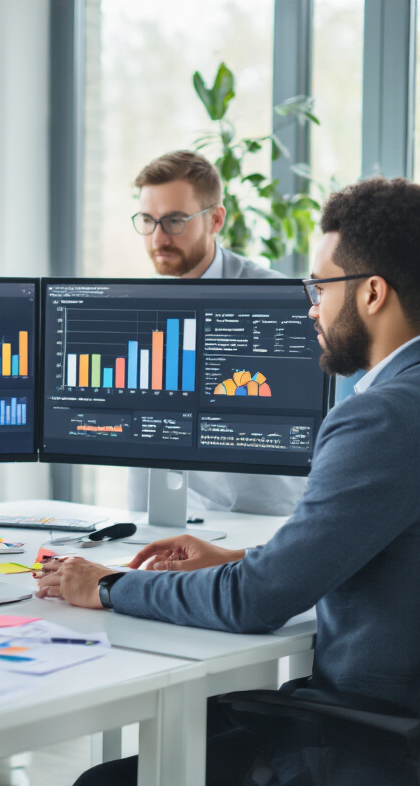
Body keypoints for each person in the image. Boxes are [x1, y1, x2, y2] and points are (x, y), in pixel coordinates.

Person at [37, 176, 420, 786]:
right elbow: (378, 553)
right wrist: (235, 559)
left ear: (373, 293)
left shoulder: (381, 417)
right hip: (419, 746)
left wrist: (103, 585)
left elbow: (253, 605)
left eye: (320, 286)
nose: (311, 307)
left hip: (354, 760)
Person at [127, 150, 305, 517]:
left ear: (216, 220)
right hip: (177, 517)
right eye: (148, 220)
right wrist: (134, 522)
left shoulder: (277, 300)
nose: (159, 237)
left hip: (264, 517)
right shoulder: (143, 304)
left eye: (175, 220)